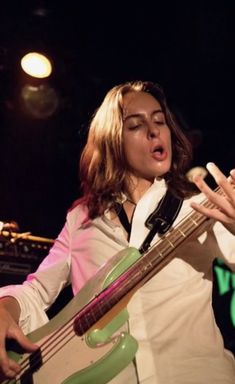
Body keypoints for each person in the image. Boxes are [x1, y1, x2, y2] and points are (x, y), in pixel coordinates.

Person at [0, 80, 235, 384]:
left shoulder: (199, 207)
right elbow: (36, 292)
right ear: (112, 140)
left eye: (160, 120)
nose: (154, 130)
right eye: (136, 125)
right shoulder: (81, 220)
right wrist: (5, 309)